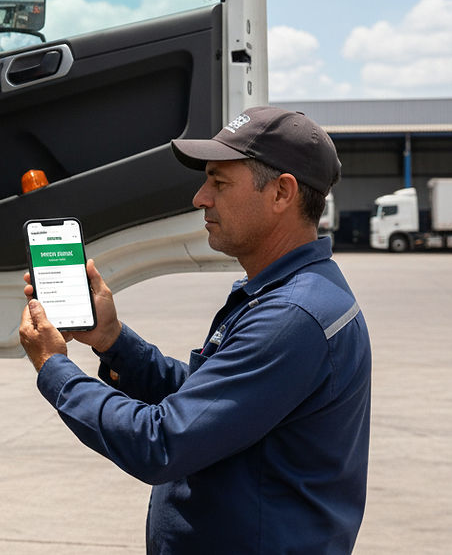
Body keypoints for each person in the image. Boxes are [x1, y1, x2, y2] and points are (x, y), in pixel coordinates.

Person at [19, 106, 371, 554]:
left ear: (282, 193)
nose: (201, 197)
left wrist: (55, 369)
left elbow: (161, 442)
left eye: (219, 183)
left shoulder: (292, 315)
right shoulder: (279, 295)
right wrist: (113, 341)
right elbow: (208, 402)